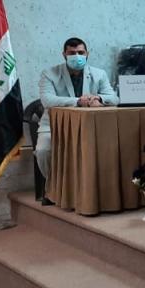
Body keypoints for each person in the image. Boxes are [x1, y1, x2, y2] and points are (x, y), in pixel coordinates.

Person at [36, 37, 119, 182]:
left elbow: (114, 98)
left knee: (110, 148)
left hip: (90, 126)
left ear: (87, 54)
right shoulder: (49, 73)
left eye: (81, 52)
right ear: (64, 55)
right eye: (72, 53)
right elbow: (47, 100)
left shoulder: (99, 74)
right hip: (54, 125)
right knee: (43, 151)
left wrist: (98, 98)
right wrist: (78, 101)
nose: (77, 56)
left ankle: (88, 186)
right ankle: (52, 186)